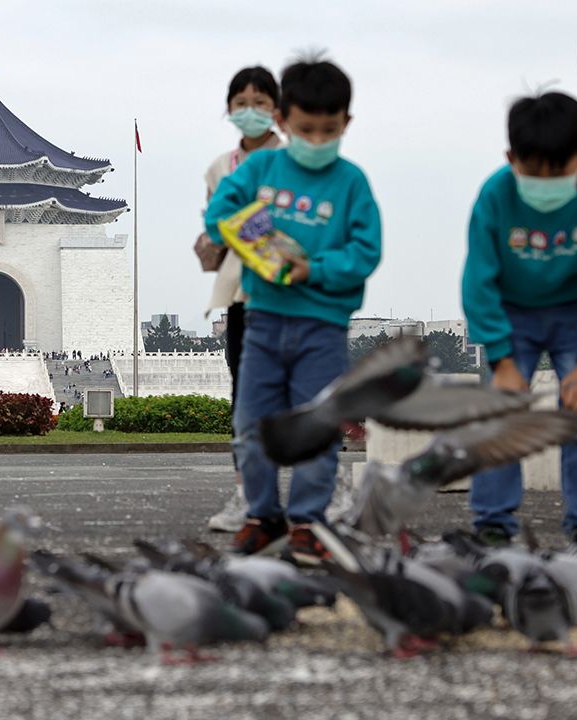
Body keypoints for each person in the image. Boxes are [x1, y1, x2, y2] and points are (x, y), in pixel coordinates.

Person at [205, 57, 382, 562]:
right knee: (250, 423)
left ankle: (308, 521)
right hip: (263, 320)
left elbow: (365, 252)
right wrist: (257, 243)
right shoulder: (261, 168)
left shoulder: (351, 183)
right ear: (284, 121)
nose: (318, 139)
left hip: (322, 328)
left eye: (329, 130)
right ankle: (263, 515)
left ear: (345, 124)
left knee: (317, 426)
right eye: (306, 129)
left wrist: (315, 269)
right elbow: (220, 214)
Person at [463, 91, 577, 546]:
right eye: (531, 170)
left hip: (575, 309)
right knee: (501, 413)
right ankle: (494, 525)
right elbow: (477, 283)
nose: (543, 182)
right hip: (512, 312)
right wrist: (500, 360)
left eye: (557, 171)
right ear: (510, 158)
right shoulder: (495, 194)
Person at [199, 65, 285, 534]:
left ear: (277, 109)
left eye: (260, 101)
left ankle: (325, 488)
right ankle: (246, 492)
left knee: (304, 393)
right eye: (241, 102)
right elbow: (216, 225)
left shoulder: (297, 161)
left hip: (294, 294)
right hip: (242, 295)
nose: (250, 111)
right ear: (229, 109)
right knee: (245, 398)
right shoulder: (219, 168)